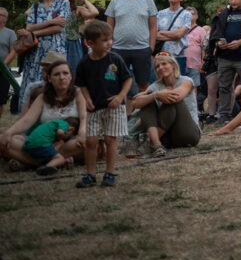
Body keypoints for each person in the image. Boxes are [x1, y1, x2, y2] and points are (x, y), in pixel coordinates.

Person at [0, 56, 87, 170]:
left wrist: (82, 133)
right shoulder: (42, 97)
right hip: (42, 142)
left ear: (71, 76)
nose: (62, 77)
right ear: (49, 78)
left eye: (65, 73)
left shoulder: (78, 93)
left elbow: (84, 117)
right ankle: (55, 162)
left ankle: (31, 163)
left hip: (68, 142)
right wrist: (9, 133)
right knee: (5, 140)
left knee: (84, 143)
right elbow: (27, 120)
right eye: (56, 74)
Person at [75, 20, 132, 188]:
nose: (109, 43)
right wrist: (87, 99)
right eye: (105, 40)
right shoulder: (84, 63)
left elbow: (128, 79)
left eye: (110, 39)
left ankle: (110, 173)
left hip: (114, 107)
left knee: (110, 139)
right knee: (91, 141)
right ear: (90, 43)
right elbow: (82, 84)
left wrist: (120, 97)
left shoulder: (115, 59)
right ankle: (90, 174)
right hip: (94, 108)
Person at [17, 0, 71, 111]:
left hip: (54, 53)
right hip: (35, 54)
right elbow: (29, 27)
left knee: (54, 85)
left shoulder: (63, 3)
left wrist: (34, 32)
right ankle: (29, 117)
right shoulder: (35, 6)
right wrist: (52, 21)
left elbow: (59, 28)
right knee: (32, 88)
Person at [132, 52, 201, 155]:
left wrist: (158, 95)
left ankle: (150, 143)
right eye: (157, 66)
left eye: (164, 64)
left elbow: (176, 96)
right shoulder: (155, 86)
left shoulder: (186, 81)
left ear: (173, 65)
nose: (160, 68)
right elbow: (135, 103)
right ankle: (156, 144)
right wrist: (154, 95)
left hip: (187, 134)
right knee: (148, 100)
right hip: (166, 137)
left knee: (172, 100)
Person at [105, 0, 157, 104]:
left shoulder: (148, 0)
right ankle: (120, 112)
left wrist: (150, 48)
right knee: (114, 82)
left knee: (143, 84)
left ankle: (141, 113)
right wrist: (109, 46)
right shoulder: (115, 1)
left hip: (142, 49)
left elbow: (153, 27)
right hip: (118, 49)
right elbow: (109, 27)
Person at [209, 0, 241, 124]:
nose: (233, 1)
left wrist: (240, 43)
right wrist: (218, 42)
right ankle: (224, 114)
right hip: (225, 56)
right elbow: (216, 31)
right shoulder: (224, 13)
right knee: (224, 87)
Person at [56, 0, 98, 78]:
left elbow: (94, 12)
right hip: (56, 42)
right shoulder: (52, 7)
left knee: (74, 72)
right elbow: (29, 12)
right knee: (57, 71)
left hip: (72, 43)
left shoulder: (77, 9)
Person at [155, 0, 192, 77]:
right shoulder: (160, 13)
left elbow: (179, 34)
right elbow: (155, 35)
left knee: (178, 81)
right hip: (161, 55)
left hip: (178, 56)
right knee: (161, 82)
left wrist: (162, 32)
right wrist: (174, 35)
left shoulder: (186, 14)